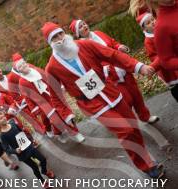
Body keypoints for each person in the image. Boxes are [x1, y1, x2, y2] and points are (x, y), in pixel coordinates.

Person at [41, 22, 164, 178]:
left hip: (110, 91)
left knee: (132, 126)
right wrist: (66, 115)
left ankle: (145, 157)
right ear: (50, 43)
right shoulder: (51, 67)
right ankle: (146, 166)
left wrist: (138, 66)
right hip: (92, 103)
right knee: (125, 131)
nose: (60, 39)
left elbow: (112, 55)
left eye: (60, 34)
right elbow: (55, 94)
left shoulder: (84, 45)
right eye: (54, 38)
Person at [69, 19, 159, 123]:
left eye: (84, 24)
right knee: (126, 100)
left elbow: (112, 43)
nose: (84, 26)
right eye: (80, 27)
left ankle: (145, 117)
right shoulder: (81, 47)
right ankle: (129, 123)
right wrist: (102, 70)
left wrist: (119, 46)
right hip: (110, 77)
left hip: (122, 68)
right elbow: (87, 65)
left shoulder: (98, 33)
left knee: (136, 95)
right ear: (77, 33)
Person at [14, 52, 85, 143]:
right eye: (20, 66)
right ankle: (58, 133)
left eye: (23, 63)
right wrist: (35, 108)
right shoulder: (22, 82)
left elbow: (49, 78)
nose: (23, 66)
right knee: (57, 121)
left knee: (66, 114)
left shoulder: (36, 70)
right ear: (19, 70)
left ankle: (76, 133)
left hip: (52, 95)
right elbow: (27, 97)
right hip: (43, 104)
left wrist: (58, 86)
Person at [0, 111, 54, 189]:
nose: (4, 118)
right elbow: (6, 149)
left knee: (43, 159)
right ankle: (42, 181)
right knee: (35, 167)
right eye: (1, 118)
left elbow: (22, 133)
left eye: (3, 116)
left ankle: (44, 171)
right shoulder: (2, 136)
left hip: (29, 147)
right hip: (22, 154)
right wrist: (15, 151)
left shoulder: (13, 124)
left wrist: (31, 140)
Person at [0, 67, 48, 136]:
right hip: (15, 103)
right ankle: (42, 130)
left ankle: (46, 127)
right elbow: (3, 97)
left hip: (23, 96)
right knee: (29, 117)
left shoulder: (10, 76)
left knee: (36, 112)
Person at [137, 12, 178, 101]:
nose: (152, 22)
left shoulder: (162, 31)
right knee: (176, 87)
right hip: (167, 68)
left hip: (175, 59)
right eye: (148, 23)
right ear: (144, 28)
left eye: (153, 19)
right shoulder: (148, 41)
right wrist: (163, 56)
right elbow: (153, 56)